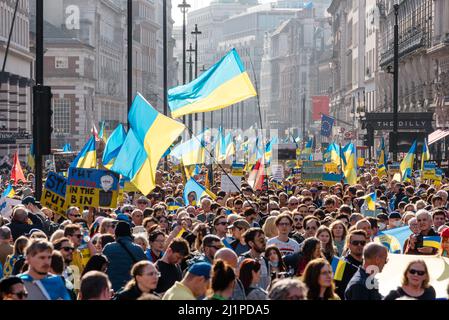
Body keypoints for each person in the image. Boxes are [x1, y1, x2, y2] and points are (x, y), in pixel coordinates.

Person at [103, 221, 147, 292]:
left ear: (116, 234)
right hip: (131, 289)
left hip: (112, 288)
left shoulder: (108, 248)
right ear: (130, 234)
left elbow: (102, 268)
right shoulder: (137, 249)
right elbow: (145, 268)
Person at [334, 230, 367, 299]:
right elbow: (333, 288)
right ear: (348, 244)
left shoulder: (369, 263)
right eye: (355, 243)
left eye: (362, 243)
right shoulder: (338, 263)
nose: (359, 245)